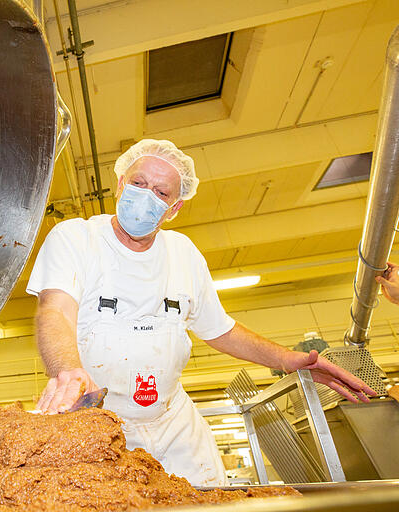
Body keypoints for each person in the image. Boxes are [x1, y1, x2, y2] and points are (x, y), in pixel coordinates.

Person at [26, 139, 377, 486]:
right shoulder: (76, 238)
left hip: (175, 427)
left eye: (161, 193)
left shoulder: (184, 254)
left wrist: (287, 360)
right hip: (99, 424)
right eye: (138, 183)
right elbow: (56, 310)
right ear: (120, 185)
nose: (146, 195)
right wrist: (67, 371)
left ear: (174, 208)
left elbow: (221, 330)